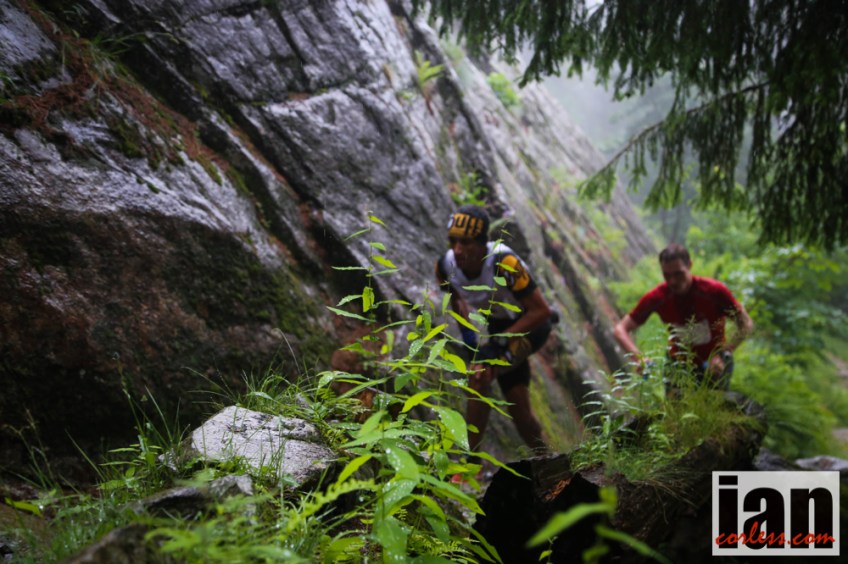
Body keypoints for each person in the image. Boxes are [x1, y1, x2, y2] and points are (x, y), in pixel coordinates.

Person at [436, 204, 553, 457]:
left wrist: (498, 343)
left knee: (480, 375)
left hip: (530, 326)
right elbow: (456, 300)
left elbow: (541, 311)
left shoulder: (504, 262)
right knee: (519, 411)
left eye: (466, 242)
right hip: (500, 328)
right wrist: (470, 340)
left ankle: (471, 464)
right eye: (453, 241)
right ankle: (549, 458)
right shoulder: (445, 267)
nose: (458, 250)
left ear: (482, 243)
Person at [613, 243, 754, 389]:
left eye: (678, 274)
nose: (673, 281)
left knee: (714, 402)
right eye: (667, 275)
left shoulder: (713, 291)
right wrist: (639, 358)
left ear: (689, 265)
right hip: (677, 364)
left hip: (714, 364)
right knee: (675, 403)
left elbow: (746, 323)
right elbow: (620, 329)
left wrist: (726, 352)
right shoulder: (658, 297)